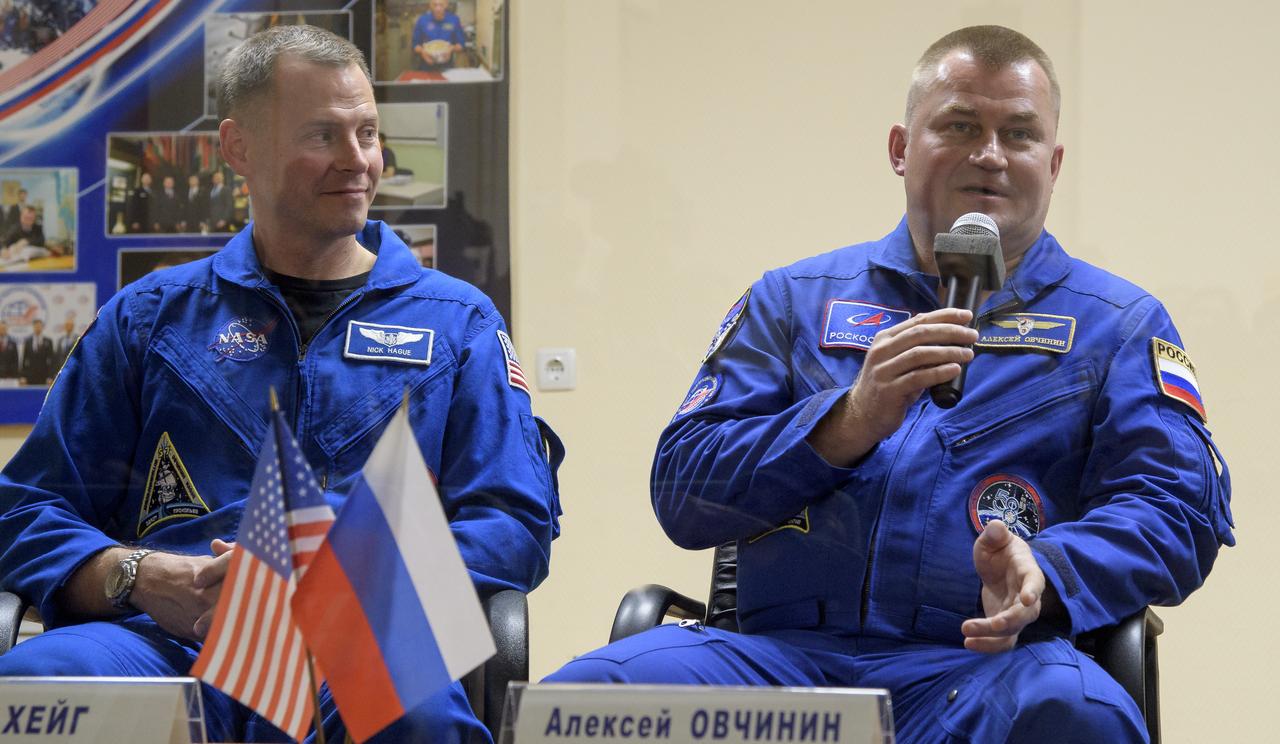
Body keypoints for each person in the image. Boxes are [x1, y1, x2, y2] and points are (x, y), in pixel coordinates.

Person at [545, 25, 1233, 743]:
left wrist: (1051, 569)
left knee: (1077, 713)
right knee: (581, 706)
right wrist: (846, 421)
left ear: (1053, 163)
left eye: (1019, 134)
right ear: (901, 148)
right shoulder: (792, 300)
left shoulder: (1118, 325)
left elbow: (1175, 512)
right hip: (777, 667)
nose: (990, 154)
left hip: (982, 671)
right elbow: (683, 491)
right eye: (961, 124)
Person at [0, 24, 562, 744]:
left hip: (362, 643)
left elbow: (512, 522)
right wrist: (139, 575)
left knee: (415, 718)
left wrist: (355, 579)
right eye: (323, 135)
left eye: (367, 132)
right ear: (237, 147)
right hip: (168, 639)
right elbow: (26, 509)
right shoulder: (149, 319)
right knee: (33, 690)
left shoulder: (458, 325)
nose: (359, 160)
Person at [411, 0, 466, 71]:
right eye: (435, 5)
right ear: (430, 5)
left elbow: (461, 45)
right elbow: (415, 45)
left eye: (441, 5)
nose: (438, 8)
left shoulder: (454, 20)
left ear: (446, 4)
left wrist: (451, 48)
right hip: (426, 66)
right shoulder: (422, 20)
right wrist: (422, 52)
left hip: (447, 66)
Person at [18, 317, 54, 385]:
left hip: (44, 375)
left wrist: (50, 377)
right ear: (33, 327)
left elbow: (52, 360)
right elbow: (24, 360)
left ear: (42, 327)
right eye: (36, 326)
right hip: (30, 375)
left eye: (39, 326)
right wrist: (23, 376)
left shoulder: (48, 341)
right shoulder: (28, 341)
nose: (37, 328)